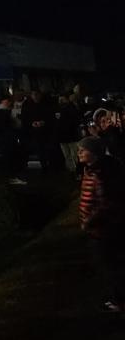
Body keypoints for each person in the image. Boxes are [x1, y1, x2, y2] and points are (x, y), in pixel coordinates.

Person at [77, 135, 125, 312]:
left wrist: (89, 220)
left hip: (105, 228)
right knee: (108, 263)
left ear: (94, 153)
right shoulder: (91, 170)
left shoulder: (101, 173)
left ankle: (119, 300)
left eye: (83, 150)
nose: (79, 153)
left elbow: (106, 203)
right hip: (100, 227)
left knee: (110, 265)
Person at [55, 94, 81, 173]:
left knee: (75, 155)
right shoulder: (57, 109)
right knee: (67, 155)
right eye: (59, 100)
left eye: (62, 99)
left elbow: (76, 120)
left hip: (72, 136)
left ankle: (78, 170)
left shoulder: (72, 108)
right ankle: (71, 170)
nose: (61, 101)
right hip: (62, 137)